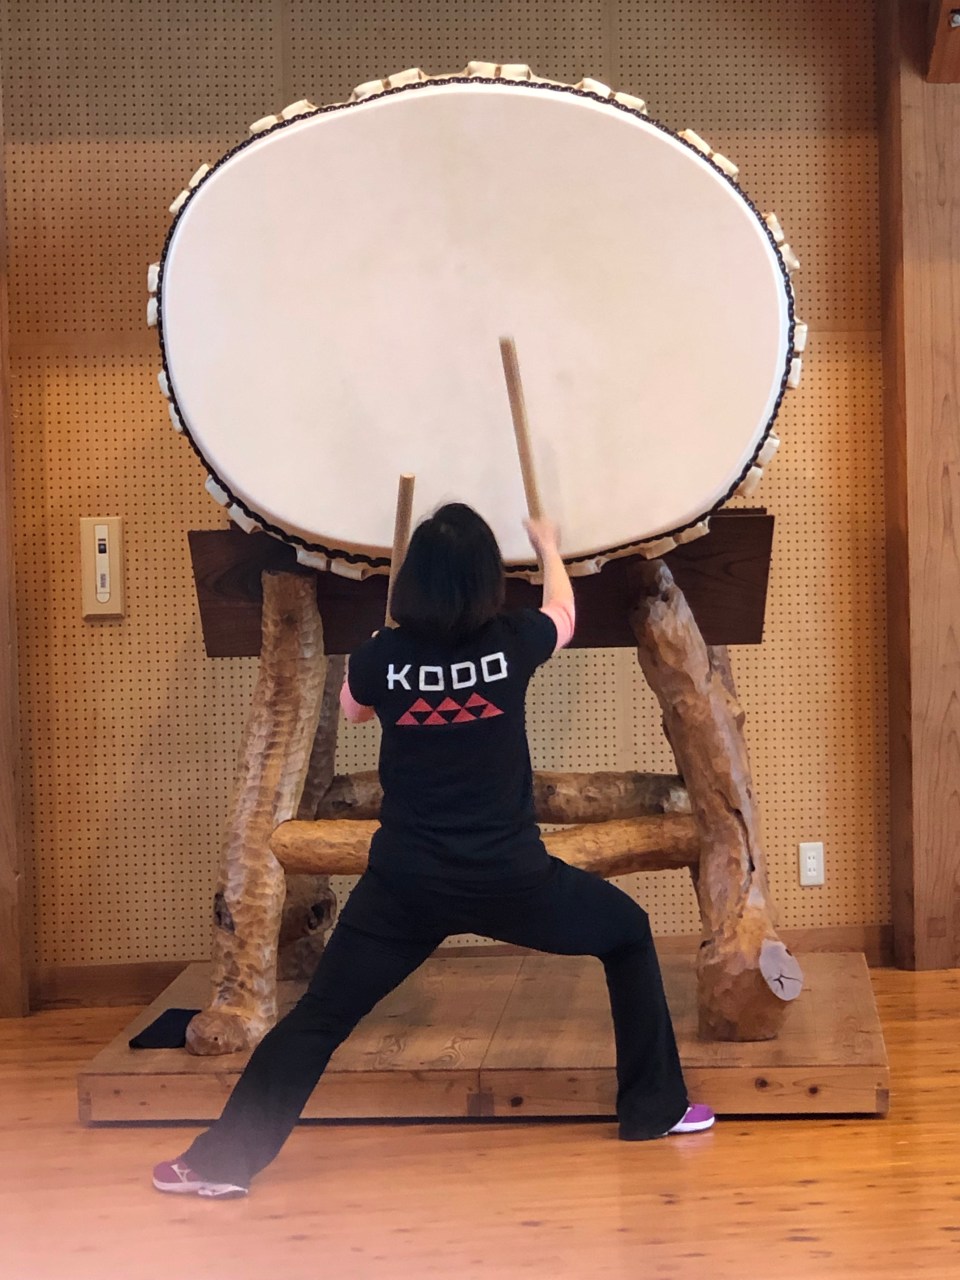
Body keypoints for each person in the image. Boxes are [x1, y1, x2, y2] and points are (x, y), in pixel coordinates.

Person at [153, 503, 713, 1198]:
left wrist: (382, 648)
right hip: (512, 880)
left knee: (319, 1019)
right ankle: (654, 1109)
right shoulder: (511, 642)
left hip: (405, 888)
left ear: (413, 580)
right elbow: (563, 616)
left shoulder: (383, 659)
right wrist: (547, 547)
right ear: (486, 583)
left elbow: (355, 709)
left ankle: (219, 1165)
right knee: (626, 933)